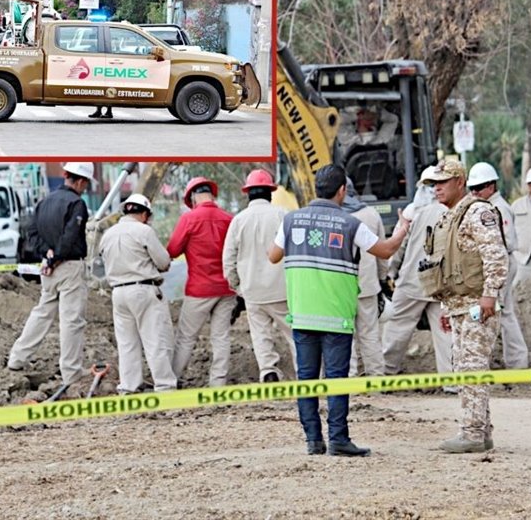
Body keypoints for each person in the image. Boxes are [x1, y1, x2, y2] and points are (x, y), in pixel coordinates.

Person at [268, 165, 410, 457]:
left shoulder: (291, 220)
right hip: (336, 315)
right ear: (342, 190)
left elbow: (273, 256)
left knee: (306, 378)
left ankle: (312, 441)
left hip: (303, 312)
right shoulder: (349, 223)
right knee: (336, 377)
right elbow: (384, 251)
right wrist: (402, 230)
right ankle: (338, 439)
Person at [420, 159, 508, 454]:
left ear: (460, 182)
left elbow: (495, 256)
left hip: (477, 304)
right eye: (434, 184)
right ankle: (481, 431)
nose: (437, 188)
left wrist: (490, 296)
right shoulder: (450, 217)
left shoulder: (477, 211)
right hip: (459, 306)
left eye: (442, 182)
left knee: (472, 367)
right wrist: (447, 307)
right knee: (466, 367)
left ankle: (472, 433)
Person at [8, 162, 95, 392]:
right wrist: (56, 256)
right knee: (71, 320)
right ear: (81, 181)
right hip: (68, 267)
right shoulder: (77, 204)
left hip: (48, 269)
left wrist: (46, 256)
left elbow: (32, 233)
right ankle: (71, 372)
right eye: (85, 183)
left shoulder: (44, 202)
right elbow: (70, 236)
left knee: (43, 312)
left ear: (66, 175)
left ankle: (17, 358)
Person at [222, 169, 295, 383]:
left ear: (248, 194)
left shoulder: (238, 221)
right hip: (282, 289)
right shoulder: (283, 216)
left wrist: (239, 288)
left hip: (253, 291)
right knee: (293, 335)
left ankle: (269, 372)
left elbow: (228, 259)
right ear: (270, 193)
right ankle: (305, 375)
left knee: (261, 335)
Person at [99, 193, 176, 393]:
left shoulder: (108, 234)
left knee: (127, 344)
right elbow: (163, 262)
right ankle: (165, 386)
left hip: (118, 293)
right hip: (143, 289)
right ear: (144, 214)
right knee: (154, 340)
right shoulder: (144, 231)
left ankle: (128, 388)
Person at [381, 166, 452, 377]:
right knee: (445, 331)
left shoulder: (412, 213)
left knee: (397, 329)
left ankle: (386, 372)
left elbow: (397, 248)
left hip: (412, 283)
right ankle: (452, 380)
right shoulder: (452, 211)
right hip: (442, 284)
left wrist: (390, 273)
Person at [167, 177, 236, 387]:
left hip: (199, 289)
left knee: (186, 337)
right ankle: (218, 383)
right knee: (221, 337)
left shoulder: (189, 219)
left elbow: (172, 250)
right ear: (212, 195)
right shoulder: (229, 219)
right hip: (227, 287)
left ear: (193, 198)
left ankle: (171, 380)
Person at [467, 162, 528, 370]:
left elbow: (507, 242)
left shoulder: (498, 208)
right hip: (499, 263)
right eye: (472, 189)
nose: (475, 192)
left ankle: (514, 361)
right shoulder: (488, 207)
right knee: (504, 313)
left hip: (501, 263)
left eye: (479, 188)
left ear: (491, 186)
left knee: (498, 313)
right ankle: (515, 361)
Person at [342, 177, 387, 377]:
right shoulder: (371, 214)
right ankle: (376, 377)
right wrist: (382, 279)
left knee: (345, 336)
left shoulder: (333, 216)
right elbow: (382, 253)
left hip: (340, 288)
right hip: (368, 286)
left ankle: (349, 378)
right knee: (370, 335)